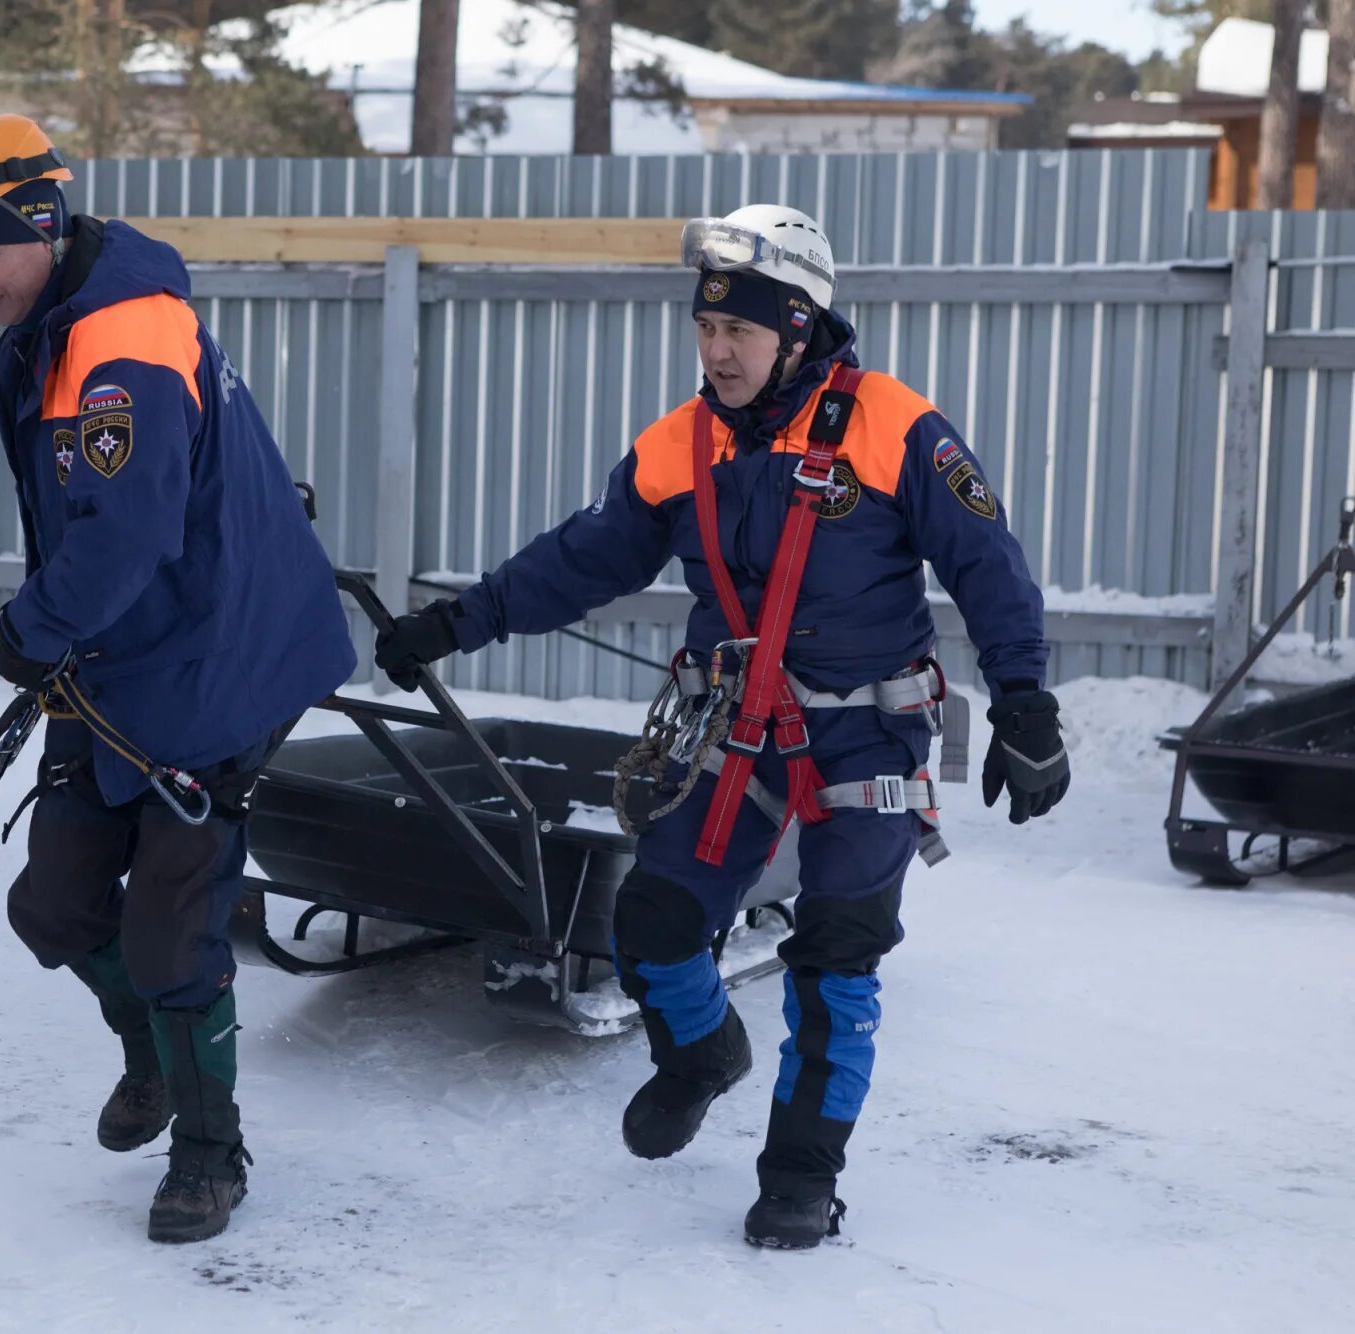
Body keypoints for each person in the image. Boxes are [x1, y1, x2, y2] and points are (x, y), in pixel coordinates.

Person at [374, 204, 1070, 1250]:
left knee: (835, 958)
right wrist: (452, 622)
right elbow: (581, 558)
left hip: (865, 738)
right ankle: (700, 1053)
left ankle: (798, 1172)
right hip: (731, 729)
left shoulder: (891, 425)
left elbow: (985, 561)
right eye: (704, 329)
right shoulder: (678, 443)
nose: (715, 350)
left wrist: (1023, 698)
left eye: (737, 331)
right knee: (648, 925)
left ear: (796, 327)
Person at [0, 115, 355, 1244]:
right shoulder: (61, 320)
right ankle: (152, 1052)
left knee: (170, 932)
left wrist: (31, 627)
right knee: (51, 903)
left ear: (40, 227)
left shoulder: (124, 340)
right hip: (115, 659)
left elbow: (126, 529)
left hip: (212, 657)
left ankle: (209, 1147)